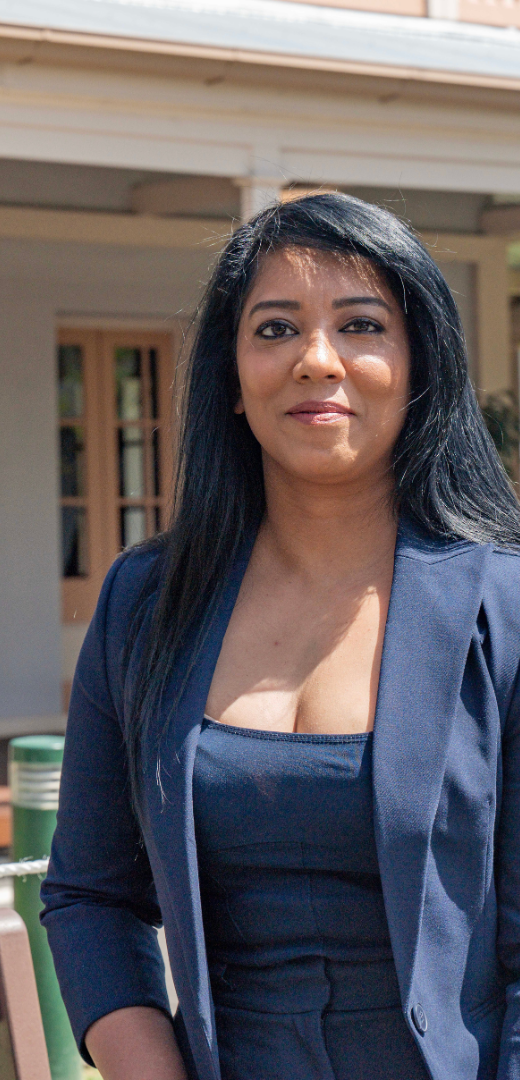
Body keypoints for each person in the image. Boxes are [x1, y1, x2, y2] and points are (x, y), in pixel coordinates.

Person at [40, 193, 520, 1080]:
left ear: (420, 367)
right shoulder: (147, 603)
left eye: (362, 323)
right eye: (274, 330)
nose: (317, 360)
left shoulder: (506, 609)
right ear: (230, 373)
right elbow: (90, 896)